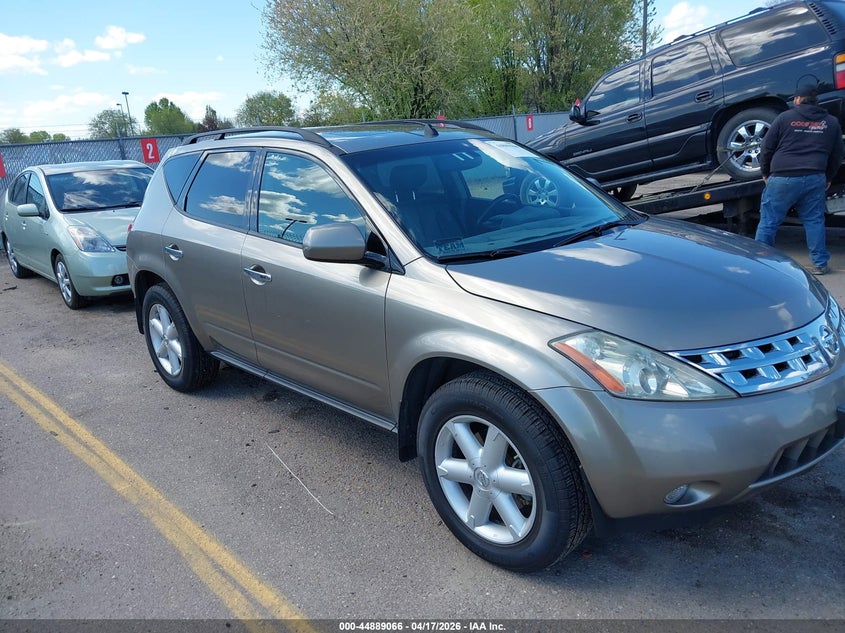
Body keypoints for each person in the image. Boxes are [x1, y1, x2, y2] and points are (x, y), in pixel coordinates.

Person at [755, 83, 845, 275]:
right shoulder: (831, 122)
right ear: (816, 100)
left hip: (783, 176)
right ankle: (820, 264)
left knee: (770, 221)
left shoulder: (785, 117)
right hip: (815, 177)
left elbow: (767, 148)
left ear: (797, 99)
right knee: (813, 221)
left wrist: (765, 172)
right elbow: (837, 154)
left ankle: (761, 262)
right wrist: (828, 176)